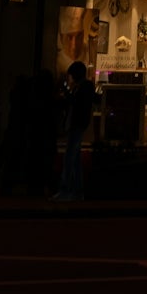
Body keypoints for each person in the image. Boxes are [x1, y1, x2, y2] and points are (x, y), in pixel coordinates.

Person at [54, 60, 93, 201]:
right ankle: (77, 191)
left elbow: (75, 103)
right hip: (76, 125)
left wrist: (66, 91)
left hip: (76, 125)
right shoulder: (83, 87)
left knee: (70, 158)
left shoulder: (83, 88)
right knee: (74, 160)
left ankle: (67, 190)